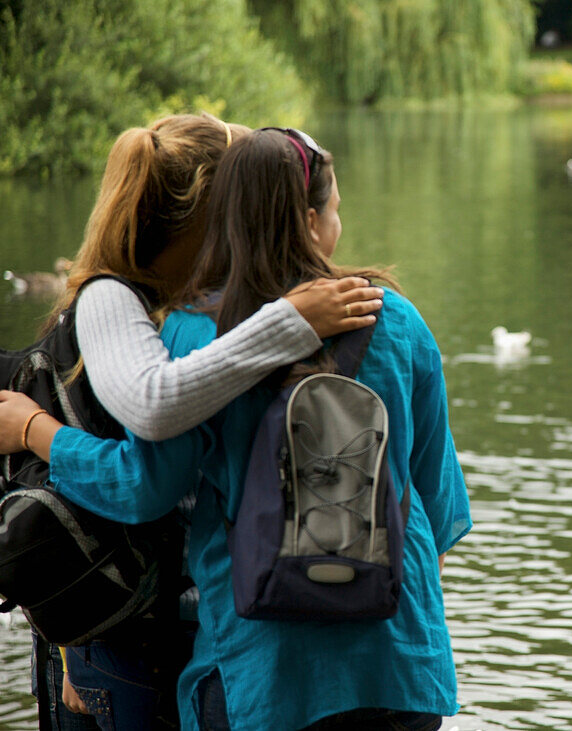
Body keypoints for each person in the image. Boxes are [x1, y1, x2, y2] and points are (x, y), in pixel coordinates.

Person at [0, 127, 471, 730]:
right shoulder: (397, 318)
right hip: (403, 668)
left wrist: (39, 431)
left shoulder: (192, 336)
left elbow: (145, 490)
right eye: (338, 209)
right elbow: (437, 505)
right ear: (310, 219)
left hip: (258, 681)